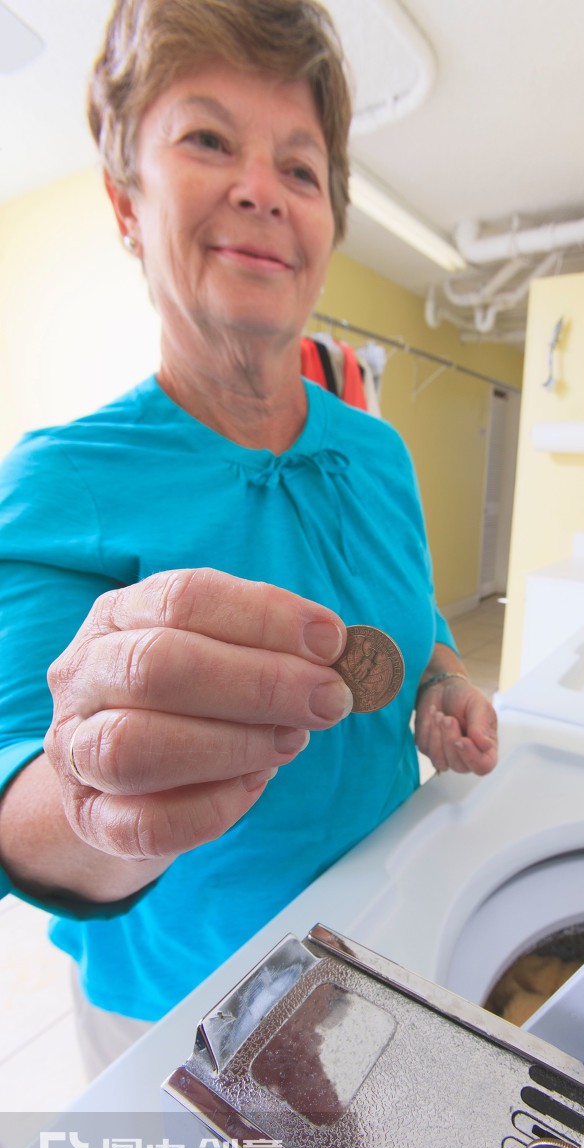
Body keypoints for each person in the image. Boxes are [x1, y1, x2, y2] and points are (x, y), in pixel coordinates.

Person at [0, 0, 498, 1075]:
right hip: (184, 1005)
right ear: (126, 200)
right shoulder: (56, 482)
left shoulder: (380, 455)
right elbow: (12, 800)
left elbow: (417, 631)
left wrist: (442, 684)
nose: (262, 189)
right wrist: (93, 784)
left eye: (302, 169)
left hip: (389, 935)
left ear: (324, 229)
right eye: (208, 140)